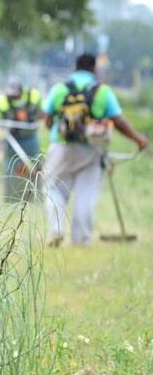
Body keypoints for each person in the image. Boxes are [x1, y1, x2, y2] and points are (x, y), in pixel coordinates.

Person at [43, 53, 148, 246]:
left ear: (75, 67)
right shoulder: (103, 91)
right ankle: (81, 240)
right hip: (92, 149)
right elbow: (118, 121)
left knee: (54, 189)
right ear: (94, 69)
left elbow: (48, 120)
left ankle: (56, 229)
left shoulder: (59, 89)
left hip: (61, 148)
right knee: (86, 194)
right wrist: (139, 139)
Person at [0, 77, 43, 202]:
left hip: (30, 137)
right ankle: (11, 197)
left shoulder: (33, 97)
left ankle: (35, 196)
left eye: (16, 95)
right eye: (11, 95)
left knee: (35, 165)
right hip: (13, 139)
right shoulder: (2, 102)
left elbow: (42, 113)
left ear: (22, 92)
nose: (13, 98)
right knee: (11, 167)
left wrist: (33, 118)